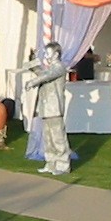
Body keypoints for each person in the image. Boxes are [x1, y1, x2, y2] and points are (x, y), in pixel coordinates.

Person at [24, 42, 71, 176]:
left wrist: (32, 82)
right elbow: (41, 73)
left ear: (56, 54)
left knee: (58, 139)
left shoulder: (59, 67)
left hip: (55, 108)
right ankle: (51, 163)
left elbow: (46, 76)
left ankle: (63, 165)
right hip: (46, 108)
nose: (46, 55)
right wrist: (32, 61)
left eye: (48, 53)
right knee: (48, 139)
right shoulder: (50, 68)